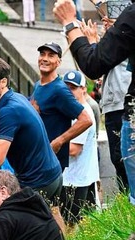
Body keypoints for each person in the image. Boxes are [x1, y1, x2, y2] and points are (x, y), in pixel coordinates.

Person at [53, 0, 135, 205]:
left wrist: (70, 23)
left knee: (126, 178)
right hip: (117, 105)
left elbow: (93, 63)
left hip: (124, 111)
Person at [0, 57, 63, 208]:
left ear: (3, 82)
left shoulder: (8, 110)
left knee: (17, 225)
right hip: (53, 174)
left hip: (38, 181)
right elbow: (5, 147)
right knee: (53, 219)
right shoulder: (15, 98)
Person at [79, 16, 131, 194]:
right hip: (113, 103)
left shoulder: (126, 36)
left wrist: (93, 43)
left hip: (121, 104)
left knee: (123, 159)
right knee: (119, 160)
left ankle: (128, 204)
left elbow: (95, 64)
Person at [30, 42, 92, 173]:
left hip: (51, 163)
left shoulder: (60, 90)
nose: (45, 58)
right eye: (42, 54)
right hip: (36, 157)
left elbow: (86, 120)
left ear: (58, 62)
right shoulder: (37, 85)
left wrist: (59, 141)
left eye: (51, 55)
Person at [61, 70, 99, 226]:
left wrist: (50, 146)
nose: (69, 92)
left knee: (69, 225)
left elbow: (74, 150)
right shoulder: (73, 110)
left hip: (74, 180)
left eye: (73, 88)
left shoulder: (82, 114)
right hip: (79, 177)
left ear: (83, 89)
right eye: (66, 88)